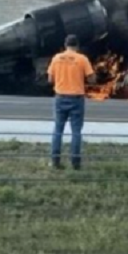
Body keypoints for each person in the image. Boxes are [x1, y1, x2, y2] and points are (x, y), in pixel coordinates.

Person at [47, 34, 95, 169]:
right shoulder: (82, 59)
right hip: (76, 98)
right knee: (76, 131)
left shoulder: (56, 58)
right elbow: (91, 79)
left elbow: (50, 79)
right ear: (77, 46)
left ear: (65, 45)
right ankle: (75, 162)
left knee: (58, 129)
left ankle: (55, 161)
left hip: (60, 97)